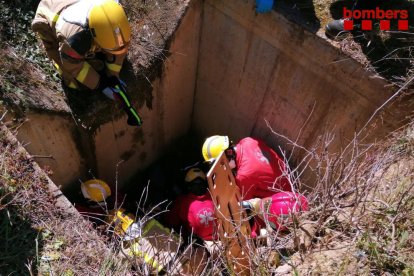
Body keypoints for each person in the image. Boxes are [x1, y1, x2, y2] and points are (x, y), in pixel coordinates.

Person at [31, 0, 142, 126]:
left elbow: (118, 47)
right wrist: (100, 85)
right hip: (50, 9)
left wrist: (113, 75)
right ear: (91, 35)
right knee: (70, 79)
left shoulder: (113, 10)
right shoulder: (75, 40)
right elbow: (74, 66)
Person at [202, 135, 292, 200]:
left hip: (286, 195)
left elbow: (243, 202)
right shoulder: (247, 140)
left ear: (227, 154)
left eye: (220, 164)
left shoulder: (243, 177)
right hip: (288, 172)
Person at [164, 167, 217, 242]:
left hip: (201, 245)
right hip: (222, 239)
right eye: (196, 183)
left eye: (199, 183)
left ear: (189, 186)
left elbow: (170, 222)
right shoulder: (215, 194)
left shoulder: (182, 202)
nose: (198, 186)